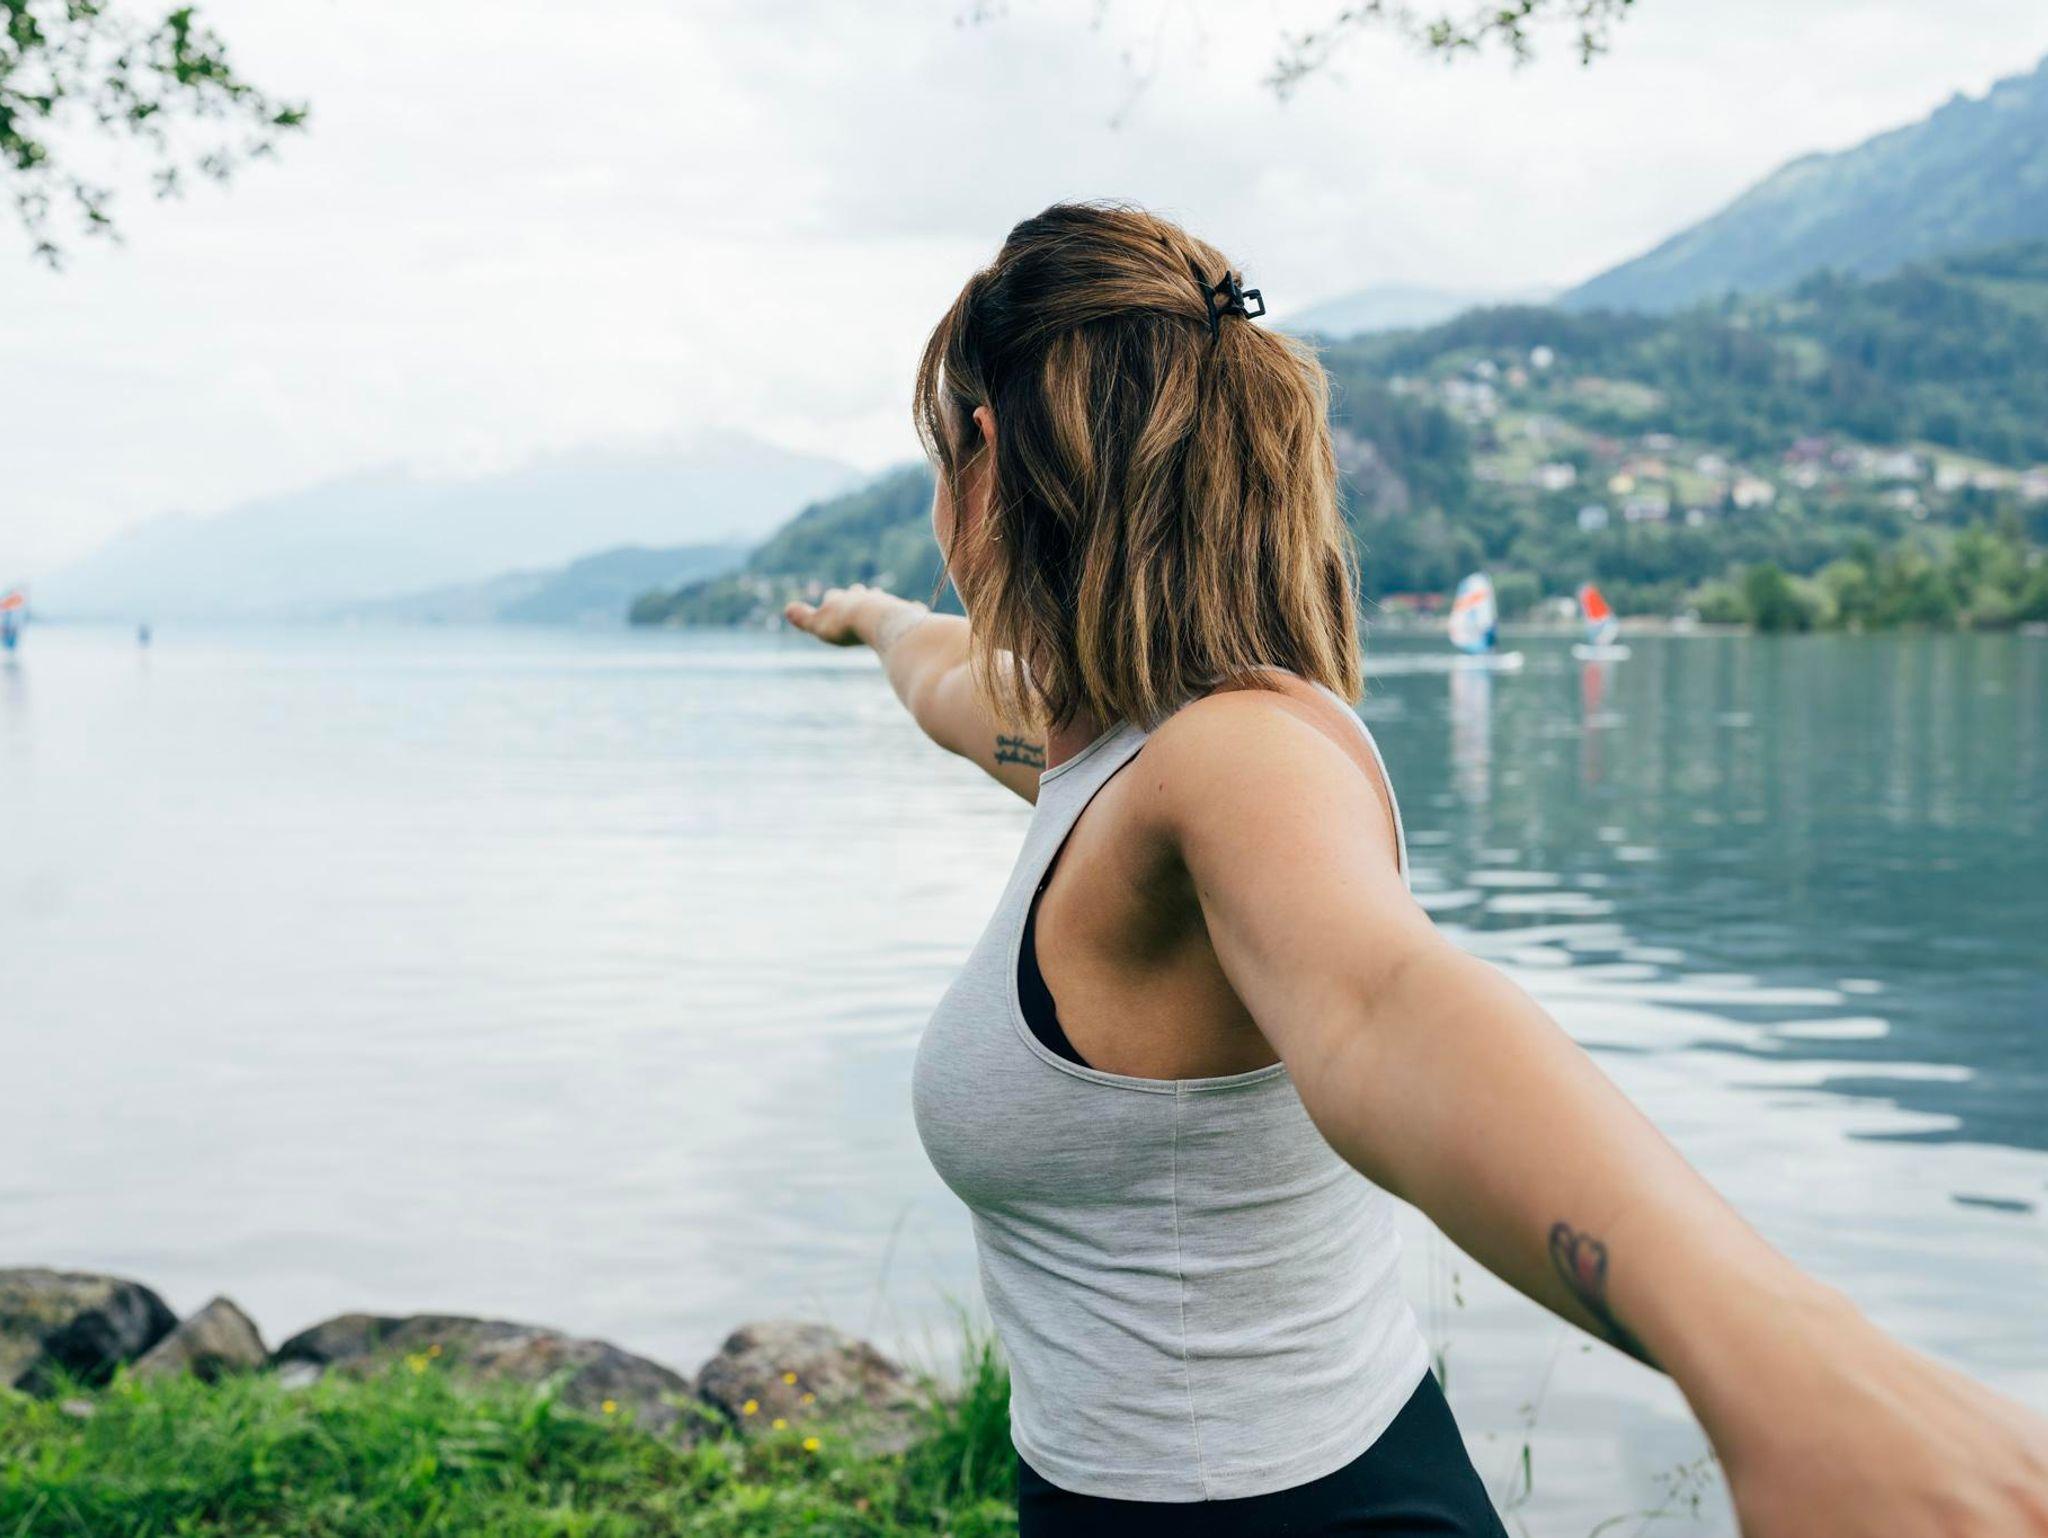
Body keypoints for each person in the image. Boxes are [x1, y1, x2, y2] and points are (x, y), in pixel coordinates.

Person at [785, 202, 2048, 1537]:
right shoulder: (1094, 749)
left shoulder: (1233, 758)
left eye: (938, 458)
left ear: (984, 456)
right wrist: (867, 618)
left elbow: (1384, 1004)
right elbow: (945, 674)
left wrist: (1788, 1366)